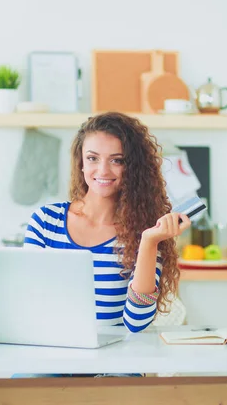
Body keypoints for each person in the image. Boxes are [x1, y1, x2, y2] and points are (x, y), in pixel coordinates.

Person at [24, 111, 191, 332]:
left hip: (112, 362)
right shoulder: (45, 222)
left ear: (132, 168)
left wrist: (149, 242)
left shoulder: (146, 231)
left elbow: (136, 323)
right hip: (51, 354)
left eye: (117, 160)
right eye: (93, 158)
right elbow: (26, 303)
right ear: (81, 163)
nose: (103, 170)